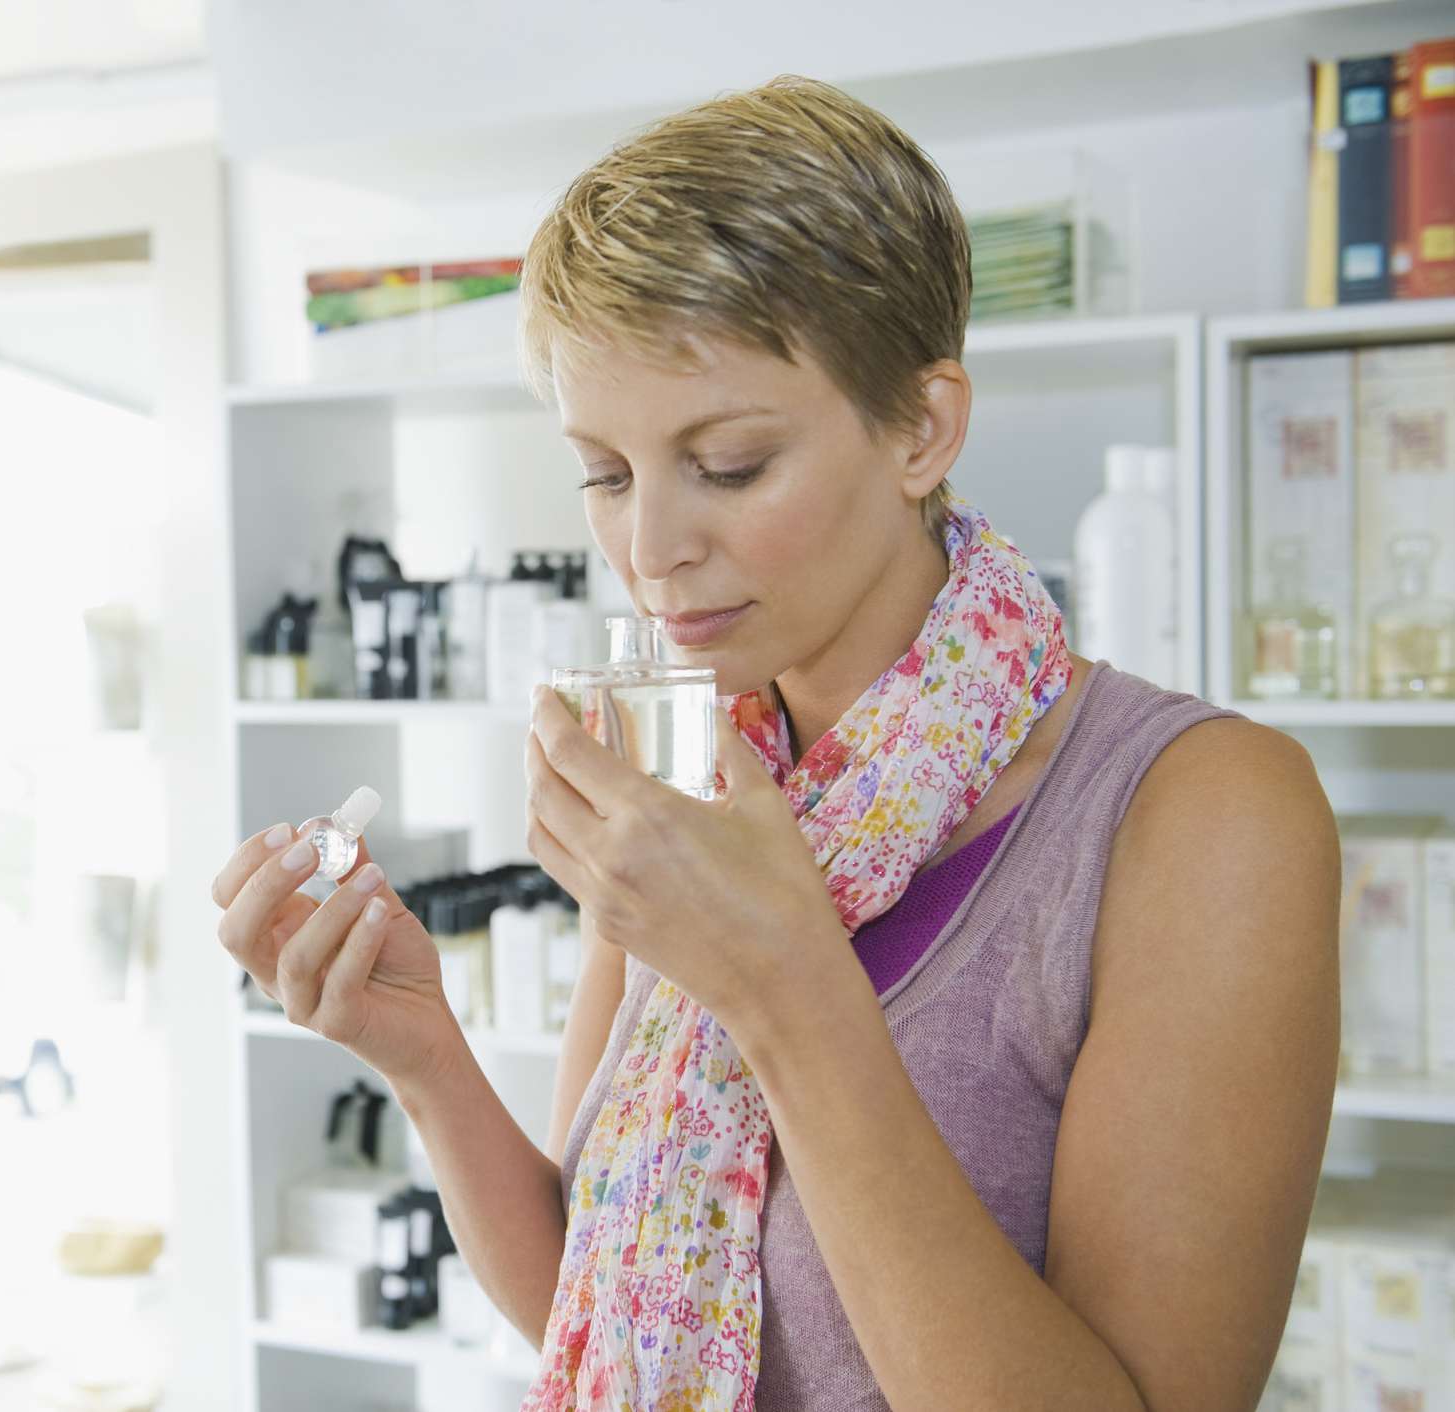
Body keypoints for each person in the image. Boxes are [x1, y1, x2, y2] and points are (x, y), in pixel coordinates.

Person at [211, 75, 1339, 1410]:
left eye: (731, 464)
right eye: (606, 473)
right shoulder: (686, 786)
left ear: (921, 428)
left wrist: (784, 987)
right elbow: (597, 1302)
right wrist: (421, 1051)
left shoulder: (1200, 813)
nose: (650, 550)